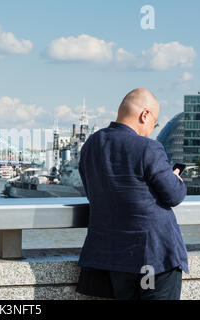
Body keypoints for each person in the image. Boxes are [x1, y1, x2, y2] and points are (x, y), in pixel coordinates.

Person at [75, 88, 188, 300]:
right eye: (154, 124)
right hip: (153, 259)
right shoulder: (148, 148)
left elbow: (93, 192)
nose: (152, 131)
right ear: (145, 115)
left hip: (114, 259)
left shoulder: (91, 145)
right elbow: (174, 195)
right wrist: (177, 179)